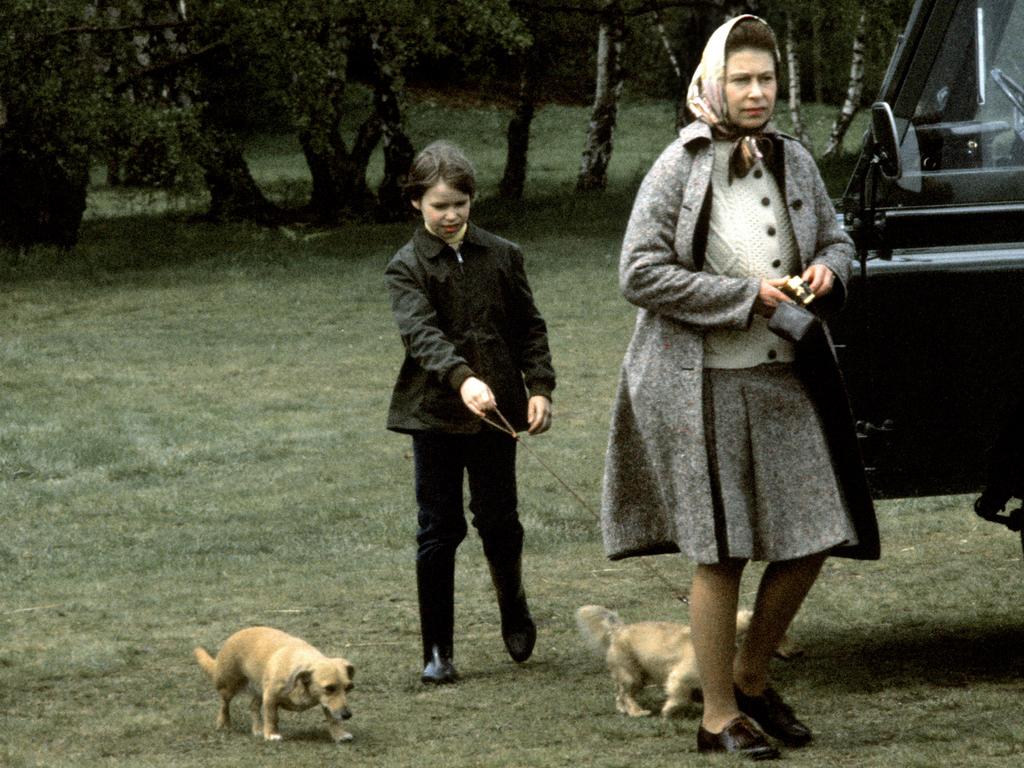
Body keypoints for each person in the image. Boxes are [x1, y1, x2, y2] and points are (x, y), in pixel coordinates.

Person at [600, 16, 880, 760]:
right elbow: (638, 273)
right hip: (704, 390)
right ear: (711, 83)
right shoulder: (678, 165)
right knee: (722, 552)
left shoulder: (792, 160)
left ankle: (752, 679)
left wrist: (829, 270)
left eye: (766, 80)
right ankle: (716, 716)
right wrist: (744, 296)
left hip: (785, 380)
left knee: (820, 532)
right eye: (741, 79)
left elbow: (836, 238)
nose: (755, 92)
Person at [385, 140, 556, 685]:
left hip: (498, 413)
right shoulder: (407, 266)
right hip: (434, 415)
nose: (451, 214)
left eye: (459, 203)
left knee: (498, 520)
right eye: (439, 205)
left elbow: (530, 327)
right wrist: (463, 379)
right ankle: (437, 651)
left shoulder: (503, 254)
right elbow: (421, 335)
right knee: (439, 528)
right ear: (417, 203)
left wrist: (540, 388)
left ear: (471, 199)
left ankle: (514, 607)